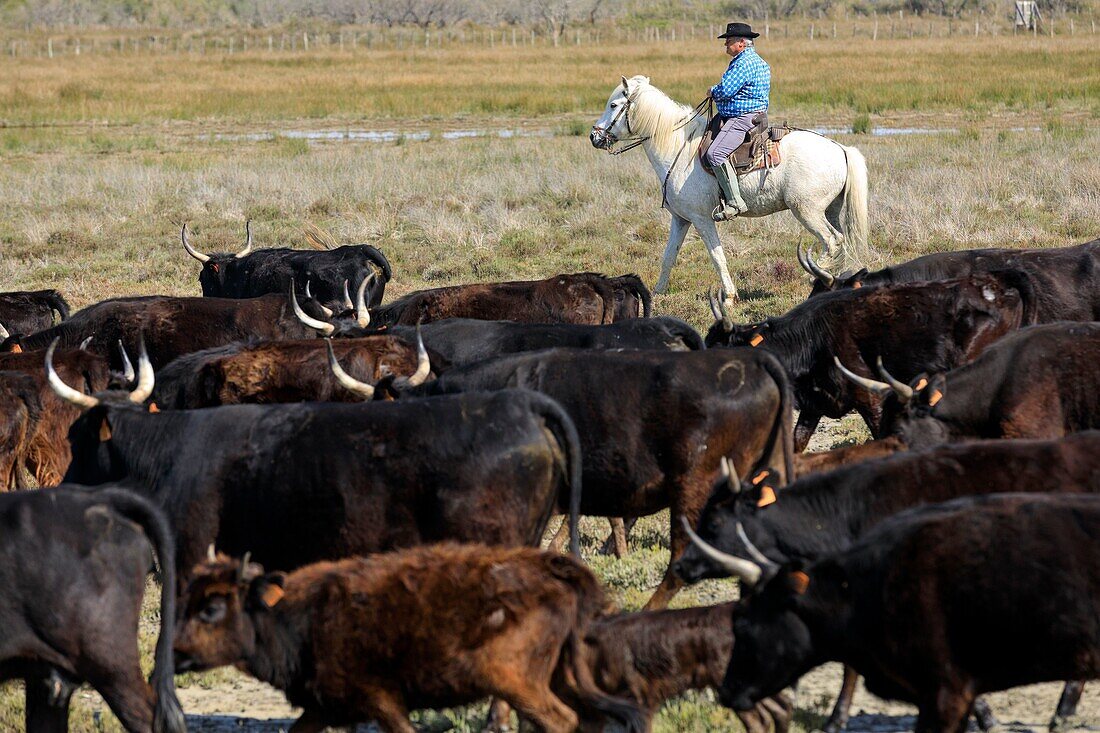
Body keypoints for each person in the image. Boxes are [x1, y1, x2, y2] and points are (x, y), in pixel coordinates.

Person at [706, 22, 771, 221]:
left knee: (714, 154)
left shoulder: (743, 62)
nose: (726, 43)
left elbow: (726, 90)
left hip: (742, 118)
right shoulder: (758, 61)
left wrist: (713, 91)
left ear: (742, 43)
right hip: (755, 115)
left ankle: (735, 201)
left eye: (730, 40)